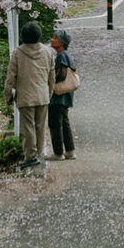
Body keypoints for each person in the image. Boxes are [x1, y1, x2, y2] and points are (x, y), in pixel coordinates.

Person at [4, 20, 55, 168]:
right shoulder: (47, 52)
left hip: (25, 96)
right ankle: (39, 153)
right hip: (43, 95)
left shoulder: (18, 53)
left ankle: (31, 156)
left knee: (28, 127)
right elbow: (51, 76)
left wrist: (8, 95)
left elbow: (11, 77)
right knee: (40, 126)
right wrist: (49, 92)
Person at [48, 28, 77, 160]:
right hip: (66, 95)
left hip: (59, 95)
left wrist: (49, 80)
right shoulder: (67, 54)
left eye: (55, 38)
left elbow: (61, 74)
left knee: (55, 123)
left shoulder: (61, 56)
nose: (52, 40)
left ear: (61, 42)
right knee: (64, 122)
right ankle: (70, 150)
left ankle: (58, 152)